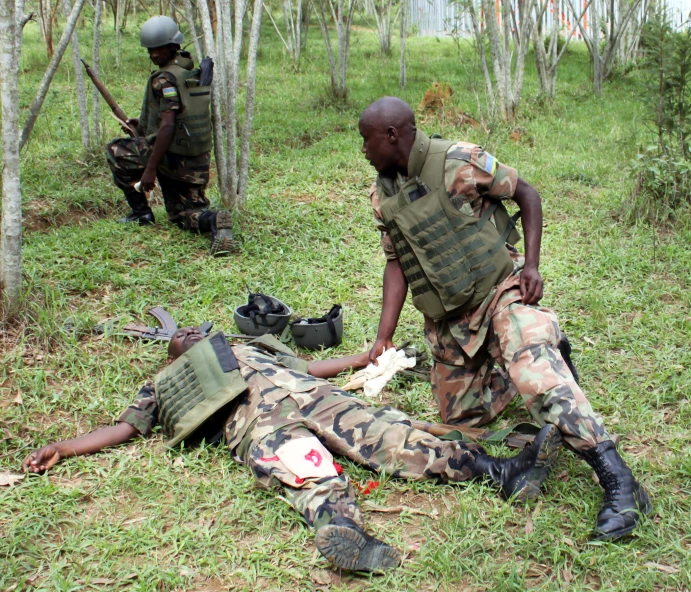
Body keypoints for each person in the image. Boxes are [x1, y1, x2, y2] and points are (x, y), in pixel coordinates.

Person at [23, 327, 561, 573]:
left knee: (395, 439)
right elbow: (124, 429)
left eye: (192, 329)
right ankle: (348, 533)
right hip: (259, 423)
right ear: (173, 357)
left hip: (318, 400)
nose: (187, 334)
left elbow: (307, 368)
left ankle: (502, 471)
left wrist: (361, 359)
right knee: (308, 472)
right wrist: (64, 447)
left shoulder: (246, 347)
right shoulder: (169, 384)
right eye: (179, 339)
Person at [359, 96, 651, 541]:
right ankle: (531, 359)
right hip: (451, 323)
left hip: (500, 291)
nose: (363, 150)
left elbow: (526, 193)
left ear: (393, 135)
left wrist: (531, 265)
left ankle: (619, 480)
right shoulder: (383, 195)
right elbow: (396, 263)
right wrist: (384, 337)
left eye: (366, 140)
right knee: (462, 420)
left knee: (534, 370)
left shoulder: (461, 160)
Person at [105, 16, 233, 257]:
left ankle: (140, 212)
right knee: (181, 214)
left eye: (160, 48)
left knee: (115, 151)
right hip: (196, 161)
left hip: (172, 156)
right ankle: (215, 221)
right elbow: (179, 115)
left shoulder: (164, 79)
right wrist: (141, 124)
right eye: (151, 49)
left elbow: (168, 126)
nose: (154, 54)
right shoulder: (191, 74)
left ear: (173, 46)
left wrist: (150, 170)